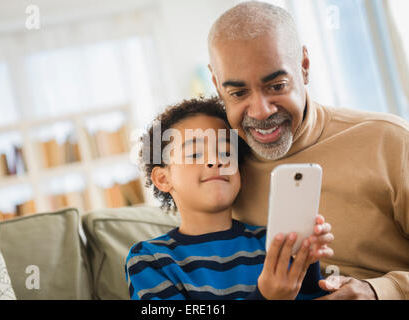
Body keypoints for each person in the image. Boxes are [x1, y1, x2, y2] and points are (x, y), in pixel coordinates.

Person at [207, 1, 409, 300]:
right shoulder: (217, 169)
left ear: (304, 67)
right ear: (217, 85)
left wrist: (379, 291)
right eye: (238, 93)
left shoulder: (389, 141)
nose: (261, 112)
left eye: (276, 85)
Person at [125, 97, 335, 300]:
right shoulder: (150, 259)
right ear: (163, 178)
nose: (216, 160)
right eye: (195, 154)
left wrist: (307, 261)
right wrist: (265, 298)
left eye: (226, 152)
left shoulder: (274, 244)